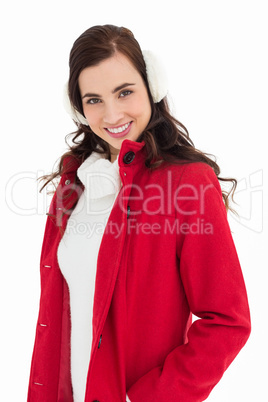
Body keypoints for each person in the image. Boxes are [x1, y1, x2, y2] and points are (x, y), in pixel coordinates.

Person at [27, 24, 251, 402]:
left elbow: (227, 322)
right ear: (78, 107)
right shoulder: (74, 185)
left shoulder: (187, 184)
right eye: (94, 99)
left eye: (125, 92)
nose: (111, 113)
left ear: (153, 88)